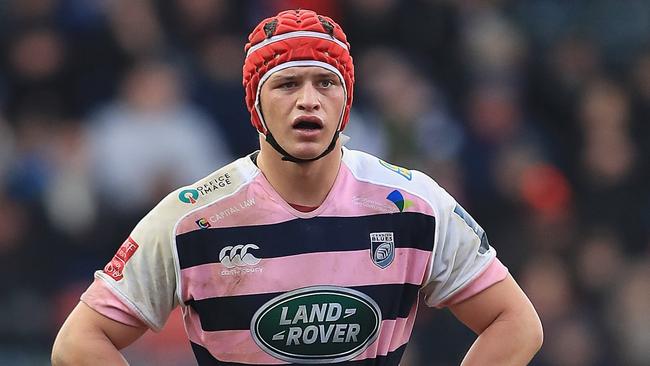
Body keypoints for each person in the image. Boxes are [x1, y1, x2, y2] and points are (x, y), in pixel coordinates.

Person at [52, 9, 543, 365]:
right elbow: (79, 341)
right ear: (255, 106)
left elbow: (516, 323)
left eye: (325, 84)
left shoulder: (413, 204)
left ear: (345, 103)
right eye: (287, 84)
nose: (308, 100)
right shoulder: (192, 218)